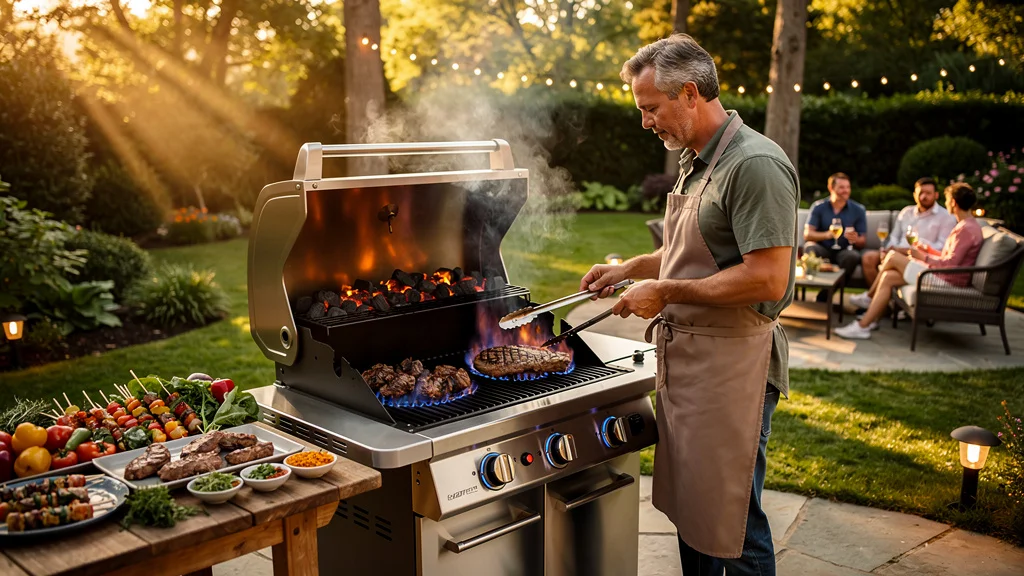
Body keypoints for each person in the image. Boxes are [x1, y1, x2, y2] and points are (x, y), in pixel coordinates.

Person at [580, 34, 797, 576]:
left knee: (733, 525)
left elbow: (767, 278)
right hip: (692, 366)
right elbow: (690, 250)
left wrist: (667, 292)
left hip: (734, 373)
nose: (646, 121)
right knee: (692, 515)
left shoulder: (755, 164)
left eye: (651, 108)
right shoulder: (699, 161)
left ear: (690, 93)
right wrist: (631, 268)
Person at [835, 182, 983, 339]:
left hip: (946, 280)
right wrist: (927, 249)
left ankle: (868, 298)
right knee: (888, 277)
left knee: (892, 257)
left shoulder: (965, 229)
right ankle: (866, 324)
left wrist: (922, 257)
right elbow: (948, 257)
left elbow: (950, 265)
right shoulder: (966, 225)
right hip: (942, 274)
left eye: (947, 200)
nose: (946, 204)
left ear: (953, 202)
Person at [857, 177, 956, 287]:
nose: (924, 196)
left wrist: (913, 249)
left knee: (891, 263)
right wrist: (890, 249)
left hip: (920, 256)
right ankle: (877, 297)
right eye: (921, 193)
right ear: (914, 194)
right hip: (897, 250)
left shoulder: (946, 216)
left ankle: (871, 297)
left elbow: (942, 247)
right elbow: (894, 237)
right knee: (868, 257)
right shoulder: (906, 212)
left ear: (936, 195)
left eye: (928, 193)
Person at [803, 173, 866, 299]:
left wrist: (855, 239)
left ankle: (824, 296)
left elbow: (862, 241)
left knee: (852, 256)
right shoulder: (818, 207)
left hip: (844, 251)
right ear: (831, 188)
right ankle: (805, 292)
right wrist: (827, 235)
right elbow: (807, 234)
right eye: (842, 187)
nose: (846, 191)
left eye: (848, 187)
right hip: (823, 249)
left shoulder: (858, 209)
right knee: (810, 248)